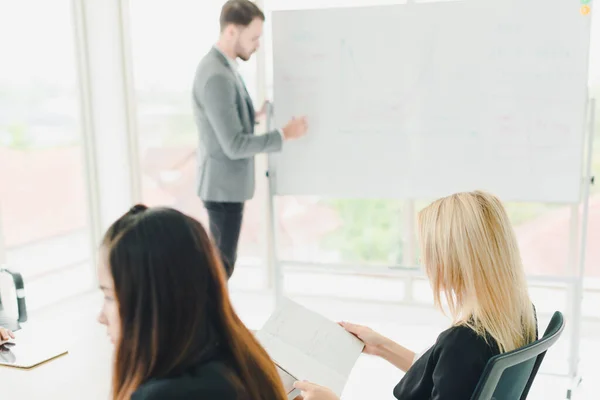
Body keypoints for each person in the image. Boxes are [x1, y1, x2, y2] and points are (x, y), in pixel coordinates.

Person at [293, 191, 538, 400]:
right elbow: (452, 378)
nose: (423, 261)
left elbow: (454, 366)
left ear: (455, 259)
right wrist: (383, 347)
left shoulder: (462, 343)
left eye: (429, 251)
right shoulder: (518, 316)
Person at [97, 204, 288, 400]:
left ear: (155, 303)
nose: (101, 317)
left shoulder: (170, 394)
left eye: (110, 296)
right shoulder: (240, 358)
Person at [192, 0, 308, 278]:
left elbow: (225, 124)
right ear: (232, 31)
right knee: (222, 268)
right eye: (253, 37)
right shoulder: (216, 75)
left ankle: (211, 319)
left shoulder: (224, 67)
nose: (257, 45)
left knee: (222, 265)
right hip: (221, 190)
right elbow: (234, 144)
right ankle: (209, 320)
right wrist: (284, 135)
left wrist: (253, 115)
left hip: (225, 188)